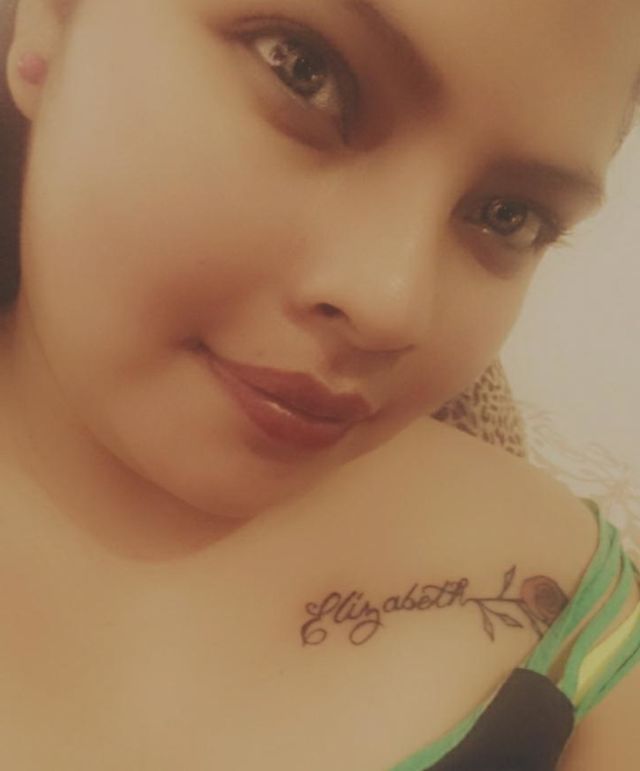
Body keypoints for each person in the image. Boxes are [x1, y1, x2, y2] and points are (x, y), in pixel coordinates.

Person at [0, 0, 638, 768]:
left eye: (509, 216)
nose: (393, 302)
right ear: (48, 18)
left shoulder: (582, 626)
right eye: (304, 71)